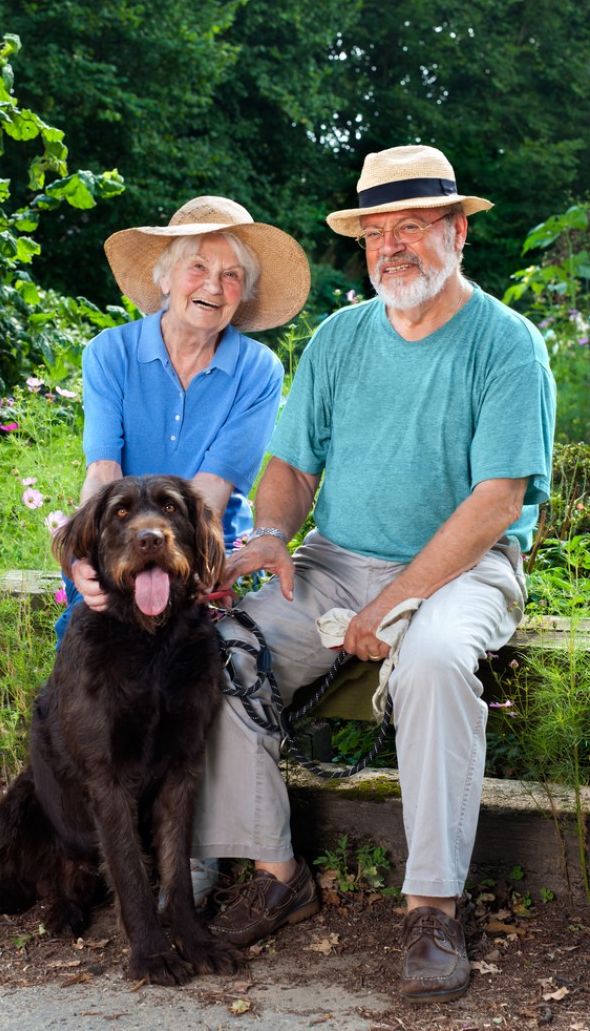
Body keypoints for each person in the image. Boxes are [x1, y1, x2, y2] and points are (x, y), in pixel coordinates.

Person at [192, 146, 556, 1003]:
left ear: (457, 232)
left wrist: (397, 601)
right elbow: (291, 464)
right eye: (376, 232)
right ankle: (277, 872)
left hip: (466, 568)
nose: (393, 247)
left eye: (415, 226)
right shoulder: (340, 338)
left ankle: (431, 907)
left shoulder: (508, 345)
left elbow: (497, 503)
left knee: (429, 659)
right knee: (223, 648)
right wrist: (276, 530)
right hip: (334, 563)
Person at [54, 194, 311, 903]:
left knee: (200, 673)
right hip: (113, 547)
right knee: (82, 671)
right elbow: (103, 471)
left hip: (199, 558)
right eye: (199, 266)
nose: (214, 286)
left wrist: (176, 569)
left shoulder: (256, 370)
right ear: (165, 277)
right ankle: (87, 850)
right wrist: (84, 562)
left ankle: (188, 856)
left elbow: (208, 496)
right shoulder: (109, 353)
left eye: (233, 277)